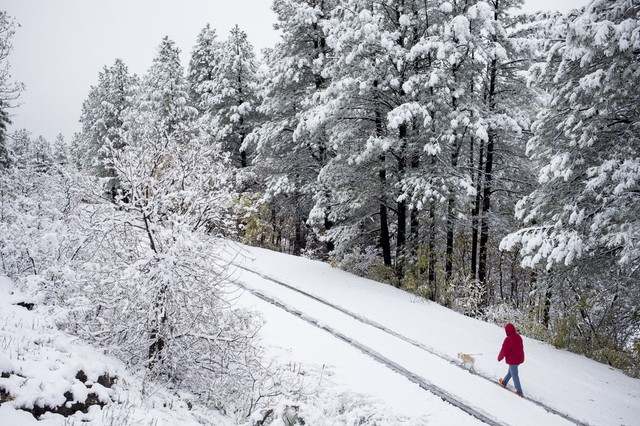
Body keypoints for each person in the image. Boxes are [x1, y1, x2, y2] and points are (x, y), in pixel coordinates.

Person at [497, 322, 525, 397]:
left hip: (513, 360)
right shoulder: (518, 336)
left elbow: (504, 350)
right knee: (511, 372)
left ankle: (519, 392)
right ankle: (504, 382)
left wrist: (499, 358)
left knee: (514, 374)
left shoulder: (508, 339)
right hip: (519, 358)